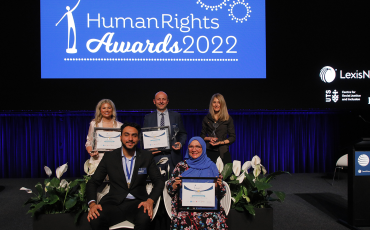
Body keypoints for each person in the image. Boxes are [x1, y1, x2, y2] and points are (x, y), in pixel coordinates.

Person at [86, 122, 164, 230]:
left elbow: (159, 181)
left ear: (138, 139)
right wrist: (92, 204)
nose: (130, 139)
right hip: (113, 203)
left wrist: (150, 201)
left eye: (134, 135)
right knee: (95, 219)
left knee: (145, 220)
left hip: (138, 203)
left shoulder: (146, 157)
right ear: (120, 137)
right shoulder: (110, 157)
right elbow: (93, 182)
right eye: (126, 135)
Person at [166, 136, 228, 230]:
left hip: (208, 205)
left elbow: (222, 192)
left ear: (203, 148)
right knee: (185, 217)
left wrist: (218, 186)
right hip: (186, 206)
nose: (194, 149)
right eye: (191, 146)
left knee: (211, 218)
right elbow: (170, 189)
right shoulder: (181, 166)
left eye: (198, 147)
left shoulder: (211, 166)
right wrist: (174, 185)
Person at [143, 91, 187, 175]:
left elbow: (183, 134)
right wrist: (149, 150)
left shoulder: (176, 116)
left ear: (167, 101)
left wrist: (180, 143)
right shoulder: (148, 118)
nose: (161, 101)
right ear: (154, 101)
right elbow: (143, 137)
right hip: (155, 157)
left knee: (174, 184)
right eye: (158, 99)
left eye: (163, 99)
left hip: (173, 156)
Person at [85, 99, 123, 167]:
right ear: (100, 110)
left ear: (112, 109)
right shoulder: (94, 124)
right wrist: (91, 152)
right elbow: (89, 142)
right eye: (104, 108)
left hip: (115, 159)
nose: (106, 110)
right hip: (97, 159)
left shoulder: (120, 126)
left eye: (109, 108)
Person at [200, 93, 236, 164]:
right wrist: (209, 138)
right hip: (209, 152)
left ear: (222, 104)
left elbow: (232, 137)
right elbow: (202, 136)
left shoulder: (228, 119)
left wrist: (220, 142)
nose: (216, 104)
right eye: (214, 102)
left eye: (219, 102)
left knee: (225, 175)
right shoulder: (206, 118)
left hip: (223, 152)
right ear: (211, 104)